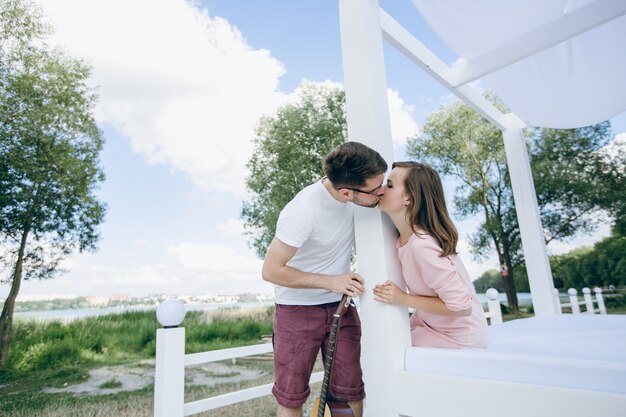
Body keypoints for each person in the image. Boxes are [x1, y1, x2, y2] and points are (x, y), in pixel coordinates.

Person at [262, 141, 388, 417]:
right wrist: (330, 282)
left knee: (350, 391)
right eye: (375, 188)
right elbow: (271, 270)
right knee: (291, 396)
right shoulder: (302, 211)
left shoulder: (360, 198)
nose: (381, 192)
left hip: (341, 309)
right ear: (346, 192)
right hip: (296, 312)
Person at [373, 161, 487, 348]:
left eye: (390, 185)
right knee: (380, 343)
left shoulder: (423, 246)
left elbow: (461, 306)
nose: (381, 189)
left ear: (409, 198)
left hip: (460, 336)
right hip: (429, 323)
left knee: (388, 351)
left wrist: (402, 299)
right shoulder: (402, 239)